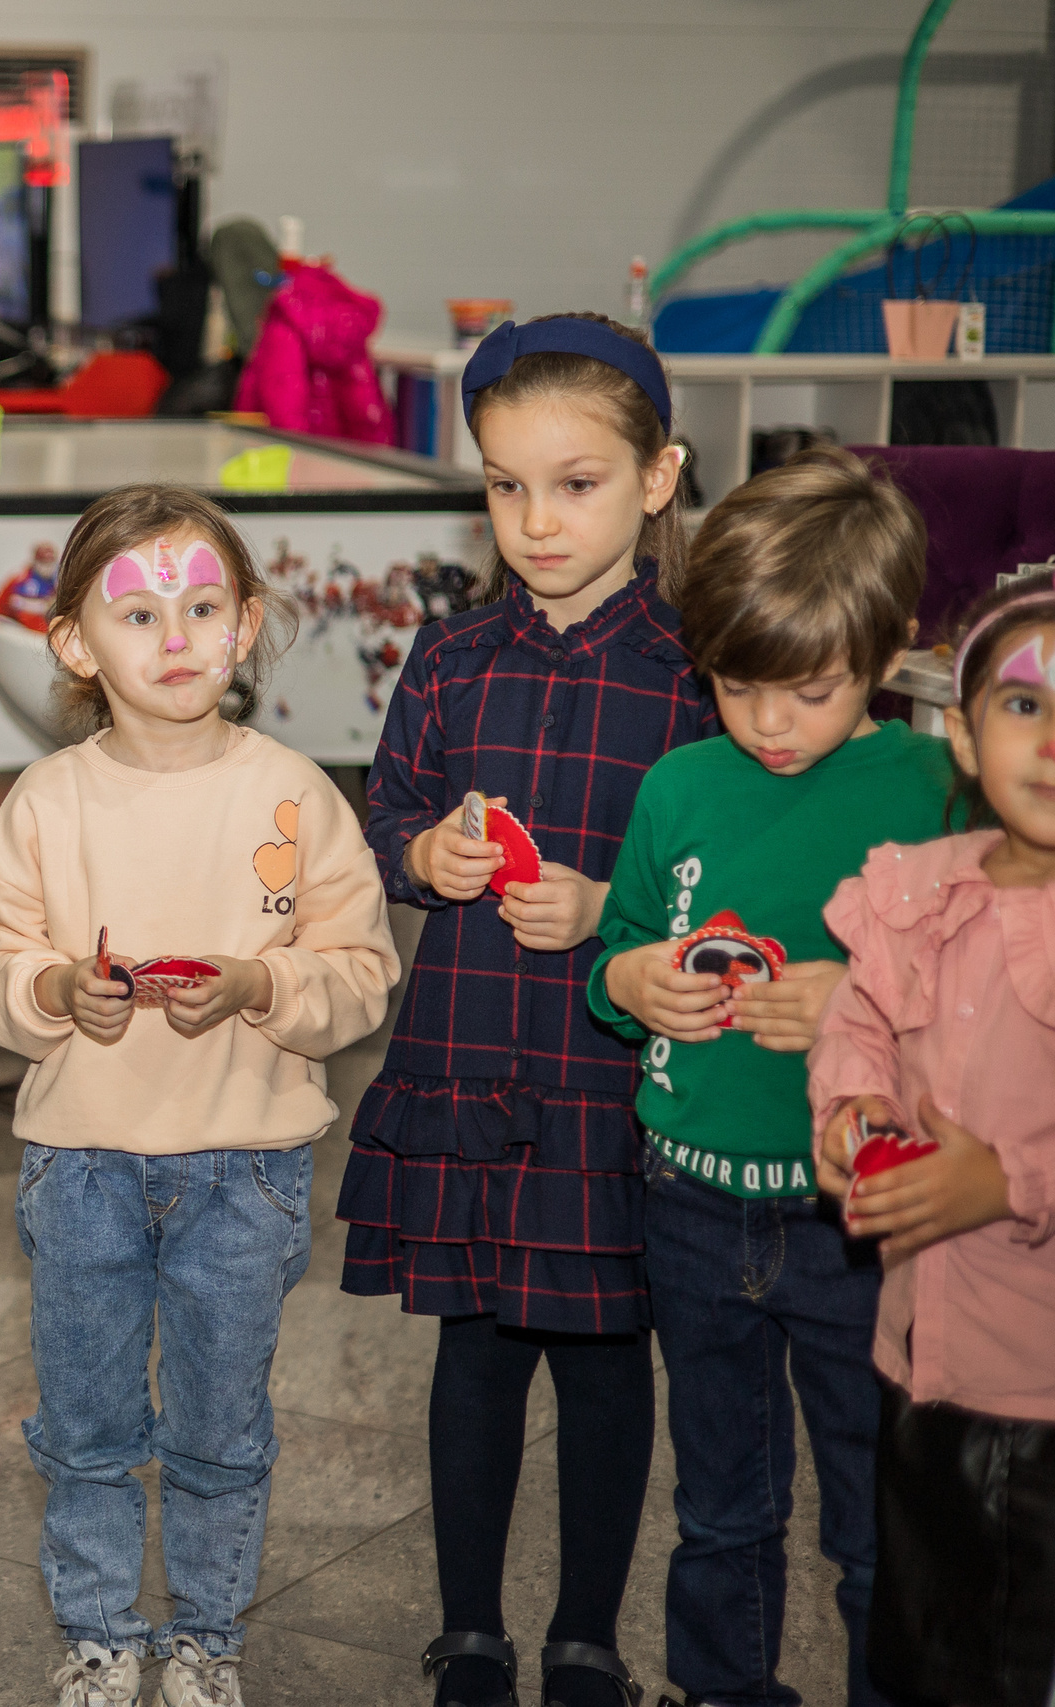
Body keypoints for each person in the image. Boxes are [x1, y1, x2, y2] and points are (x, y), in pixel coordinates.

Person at [0, 484, 398, 1707]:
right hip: (82, 1165)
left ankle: (207, 1636)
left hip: (244, 1171)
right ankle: (100, 1632)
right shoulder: (46, 803)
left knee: (219, 1433)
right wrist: (58, 990)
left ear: (246, 624)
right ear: (73, 643)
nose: (175, 637)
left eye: (203, 607)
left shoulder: (296, 794)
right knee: (85, 1431)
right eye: (139, 613)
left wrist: (264, 982)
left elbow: (362, 971)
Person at [337, 314, 716, 1707]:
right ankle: (471, 1631)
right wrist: (424, 855)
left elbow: (722, 880)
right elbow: (385, 811)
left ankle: (585, 1636)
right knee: (476, 1351)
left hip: (609, 1078)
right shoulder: (452, 657)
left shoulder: (694, 670)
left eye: (576, 483)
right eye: (506, 486)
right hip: (470, 1058)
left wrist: (611, 906)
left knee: (608, 1362)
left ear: (657, 478)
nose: (537, 520)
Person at [591, 446, 953, 1707]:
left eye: (807, 691)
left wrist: (864, 1002)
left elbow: (988, 1006)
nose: (768, 724)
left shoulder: (930, 789)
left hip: (856, 1219)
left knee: (874, 1516)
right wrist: (633, 980)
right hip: (690, 1205)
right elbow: (619, 942)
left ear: (889, 650)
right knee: (719, 1510)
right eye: (736, 686)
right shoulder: (679, 784)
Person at [808, 572, 1055, 1707]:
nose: (1051, 740)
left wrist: (1004, 1181)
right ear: (960, 732)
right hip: (919, 1361)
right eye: (1023, 704)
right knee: (925, 1651)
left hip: (1040, 1380)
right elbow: (856, 1019)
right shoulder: (917, 889)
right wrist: (851, 1109)